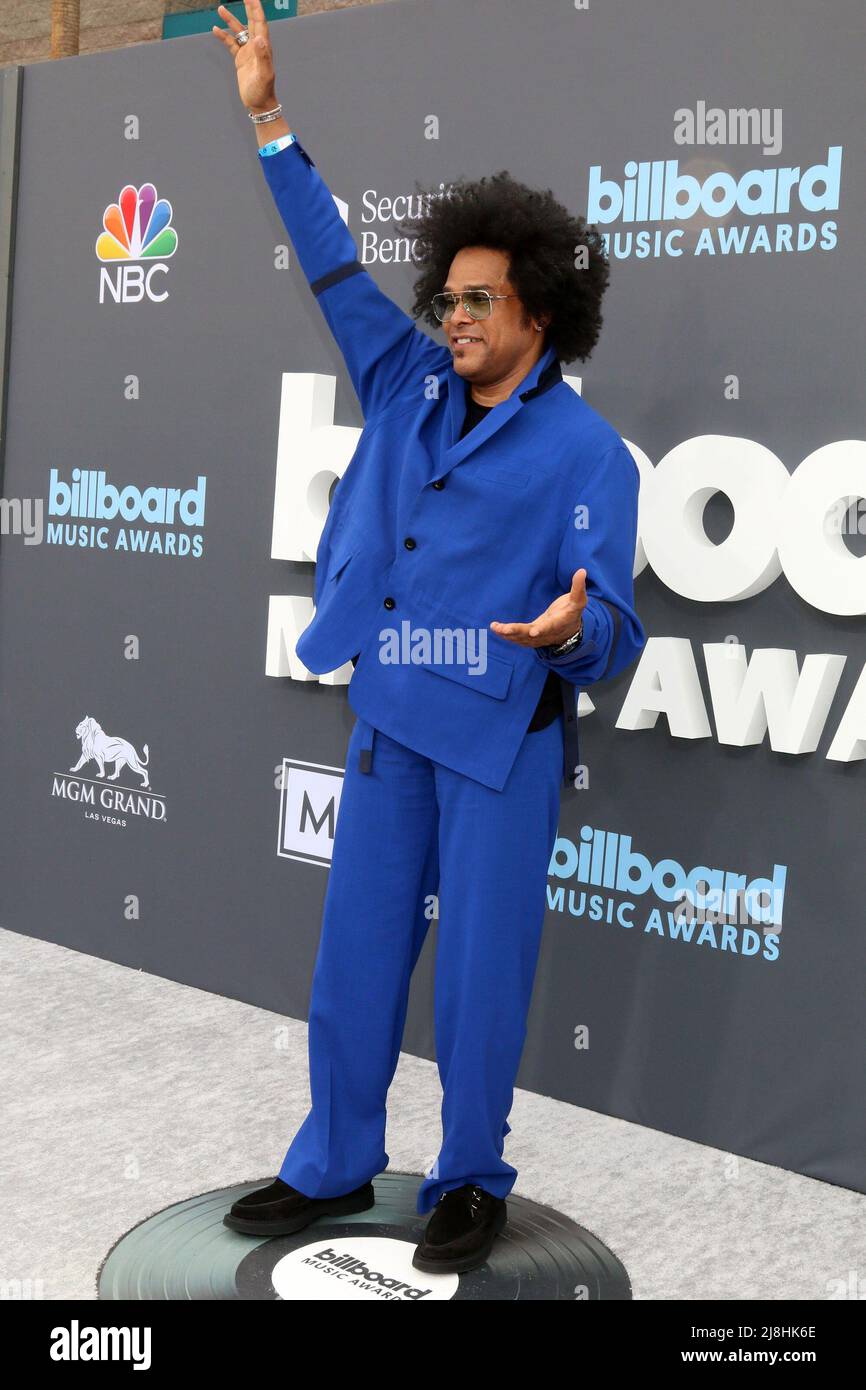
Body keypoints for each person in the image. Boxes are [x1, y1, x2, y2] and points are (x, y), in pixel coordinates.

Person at [214, 0, 645, 1275]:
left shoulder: (587, 453)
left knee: (478, 988)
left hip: (499, 739)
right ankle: (332, 1161)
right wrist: (272, 122)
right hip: (391, 717)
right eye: (444, 296)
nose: (451, 315)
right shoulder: (405, 381)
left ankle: (468, 1179)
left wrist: (573, 630)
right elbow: (332, 265)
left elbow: (612, 624)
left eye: (477, 299)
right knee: (353, 964)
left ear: (540, 312)